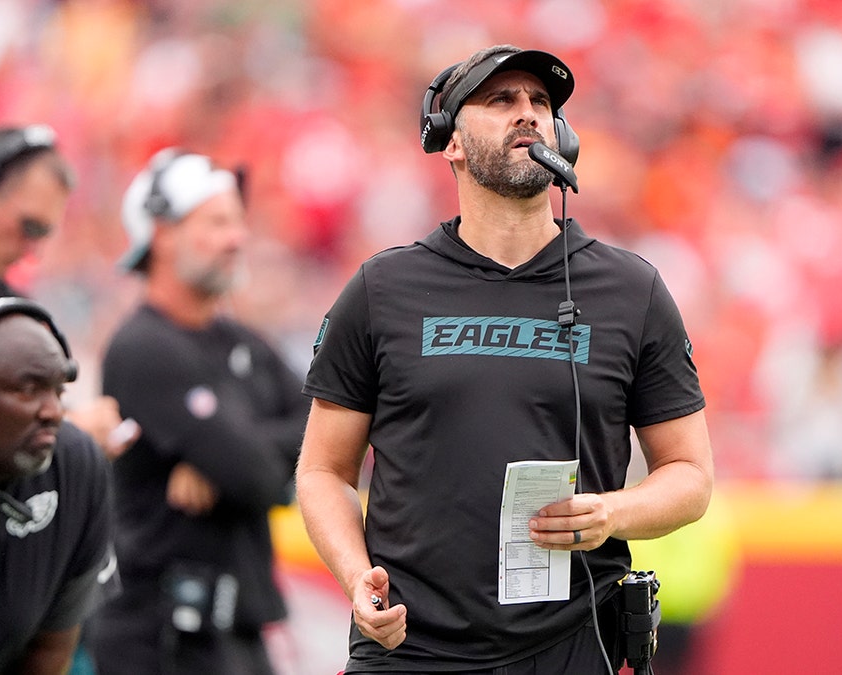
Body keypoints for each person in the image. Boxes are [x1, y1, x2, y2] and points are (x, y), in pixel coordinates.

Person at [295, 44, 714, 674]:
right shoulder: (382, 290)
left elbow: (690, 473)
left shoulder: (632, 291)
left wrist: (609, 513)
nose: (528, 114)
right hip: (409, 649)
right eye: (500, 100)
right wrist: (356, 578)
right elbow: (323, 470)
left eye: (541, 103)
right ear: (451, 142)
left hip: (572, 645)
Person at [89, 148, 309, 675]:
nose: (237, 238)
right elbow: (256, 476)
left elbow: (331, 434)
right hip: (162, 637)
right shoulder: (143, 347)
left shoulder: (247, 344)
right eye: (215, 222)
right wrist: (255, 459)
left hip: (239, 627)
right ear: (162, 234)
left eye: (237, 221)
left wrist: (231, 450)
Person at [0, 297, 118, 675]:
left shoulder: (75, 467)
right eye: (28, 389)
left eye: (59, 391)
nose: (53, 411)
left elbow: (51, 651)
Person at [0, 123, 137, 460]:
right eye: (29, 227)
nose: (33, 250)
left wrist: (76, 428)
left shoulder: (10, 310)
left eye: (44, 234)